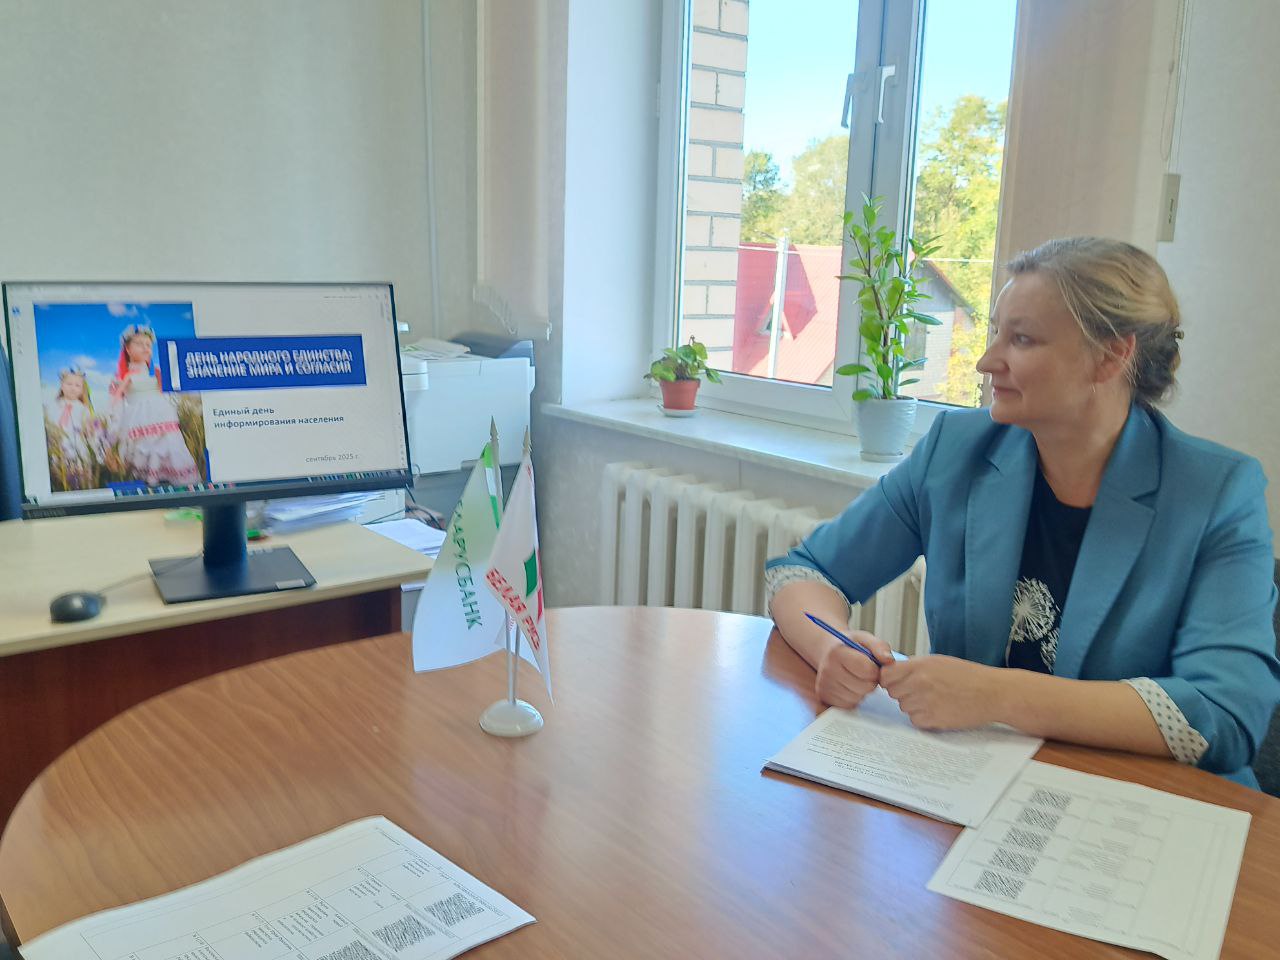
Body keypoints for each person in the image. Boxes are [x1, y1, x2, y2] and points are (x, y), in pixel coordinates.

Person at [766, 237, 1280, 787]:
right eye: (996, 332)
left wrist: (997, 695)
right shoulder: (955, 450)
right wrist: (832, 648)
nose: (987, 361)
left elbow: (1225, 713)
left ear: (1111, 356)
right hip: (971, 787)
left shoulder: (1216, 491)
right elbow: (803, 573)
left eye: (1023, 339)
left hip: (1148, 804)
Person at [107, 324, 201, 486]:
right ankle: (150, 480)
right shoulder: (123, 376)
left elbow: (168, 390)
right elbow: (116, 400)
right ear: (128, 349)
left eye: (148, 345)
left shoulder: (155, 371)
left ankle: (172, 478)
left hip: (162, 416)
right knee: (145, 448)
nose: (145, 348)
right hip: (138, 419)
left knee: (169, 446)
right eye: (139, 344)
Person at [43, 367, 104, 490]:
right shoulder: (53, 406)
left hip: (78, 449)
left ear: (82, 390)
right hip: (58, 447)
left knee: (79, 478)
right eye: (69, 384)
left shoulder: (84, 409)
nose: (72, 388)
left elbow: (89, 431)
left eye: (77, 385)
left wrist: (90, 431)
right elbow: (48, 424)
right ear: (62, 386)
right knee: (59, 476)